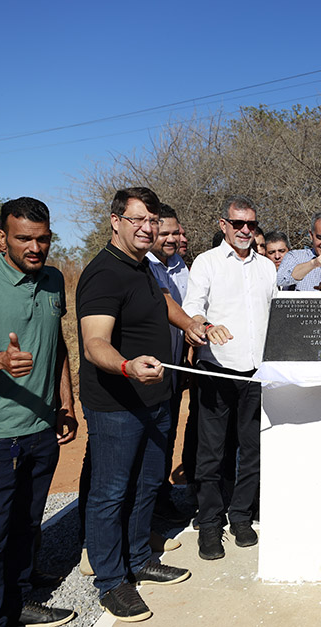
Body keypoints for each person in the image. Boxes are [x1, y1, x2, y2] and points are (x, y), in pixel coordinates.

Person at [77, 187, 211, 621]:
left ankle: (138, 559)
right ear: (115, 221)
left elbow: (164, 301)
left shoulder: (143, 267)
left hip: (155, 397)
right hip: (117, 403)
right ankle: (111, 581)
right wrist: (127, 366)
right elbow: (94, 342)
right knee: (111, 493)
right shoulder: (103, 274)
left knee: (147, 484)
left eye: (152, 221)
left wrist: (190, 324)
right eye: (137, 219)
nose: (147, 228)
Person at [0, 197, 77, 627]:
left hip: (42, 427)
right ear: (2, 238)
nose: (35, 248)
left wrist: (66, 404)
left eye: (43, 239)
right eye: (24, 238)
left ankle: (20, 595)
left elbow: (58, 345)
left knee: (27, 521)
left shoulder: (54, 279)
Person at [182, 196, 276, 561]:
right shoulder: (206, 263)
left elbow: (275, 312)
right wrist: (206, 326)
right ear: (223, 225)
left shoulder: (266, 267)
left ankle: (240, 517)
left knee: (251, 450)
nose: (245, 230)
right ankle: (210, 524)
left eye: (251, 224)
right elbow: (192, 308)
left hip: (256, 372)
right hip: (216, 370)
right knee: (211, 452)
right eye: (238, 223)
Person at [145, 204, 193, 527]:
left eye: (176, 232)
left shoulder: (179, 265)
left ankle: (160, 502)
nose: (172, 239)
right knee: (147, 444)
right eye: (164, 233)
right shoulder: (144, 266)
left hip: (175, 370)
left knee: (166, 437)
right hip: (149, 372)